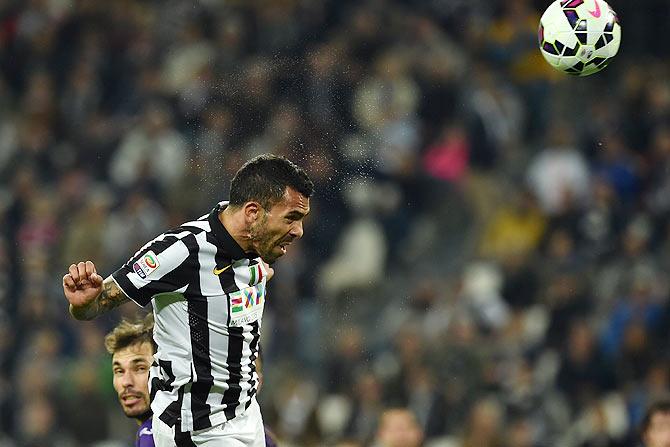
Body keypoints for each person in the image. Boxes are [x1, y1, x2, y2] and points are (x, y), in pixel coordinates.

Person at [63, 154, 313, 446]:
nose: (298, 231)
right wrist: (83, 303)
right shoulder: (181, 251)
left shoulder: (257, 249)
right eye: (291, 218)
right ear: (253, 213)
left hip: (246, 417)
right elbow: (96, 303)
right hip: (197, 433)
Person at [105, 313, 157, 447]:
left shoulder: (152, 436)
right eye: (119, 371)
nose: (126, 382)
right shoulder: (145, 434)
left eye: (140, 368)